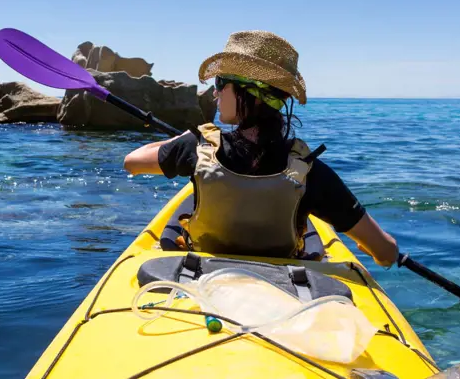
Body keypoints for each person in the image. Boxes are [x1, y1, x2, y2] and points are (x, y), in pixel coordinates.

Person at [123, 30, 399, 268]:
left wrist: (181, 140)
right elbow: (385, 252)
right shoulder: (309, 172)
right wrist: (377, 250)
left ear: (246, 93)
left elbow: (132, 162)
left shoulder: (195, 149)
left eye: (220, 83)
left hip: (202, 277)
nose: (215, 93)